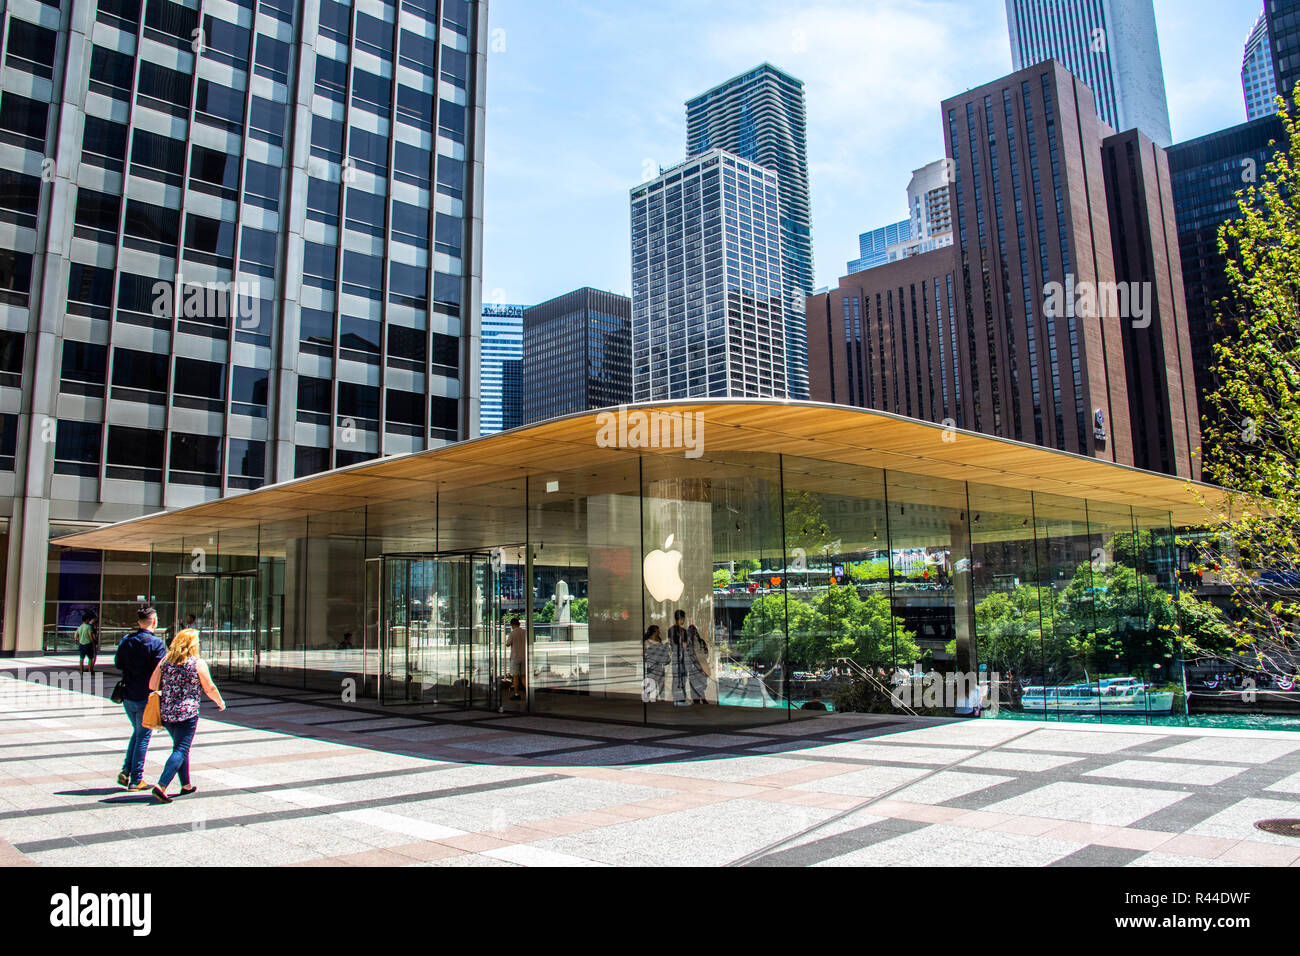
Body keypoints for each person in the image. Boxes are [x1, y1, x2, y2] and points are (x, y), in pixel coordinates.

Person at [147, 628, 226, 803]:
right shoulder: (197, 663)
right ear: (192, 644)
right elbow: (209, 687)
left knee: (181, 747)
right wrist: (220, 702)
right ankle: (161, 786)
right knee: (181, 749)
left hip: (167, 713)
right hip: (187, 713)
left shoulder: (165, 661)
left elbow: (152, 684)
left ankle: (186, 785)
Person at [113, 607, 166, 790]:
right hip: (146, 696)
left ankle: (126, 771)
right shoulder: (156, 643)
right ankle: (136, 778)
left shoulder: (127, 640)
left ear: (138, 622)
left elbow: (118, 663)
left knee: (138, 732)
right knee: (143, 736)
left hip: (128, 694)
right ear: (154, 621)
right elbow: (161, 671)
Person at [668, 610, 709, 705]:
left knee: (678, 679)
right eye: (683, 619)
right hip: (682, 658)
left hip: (677, 657)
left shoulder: (672, 630)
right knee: (681, 679)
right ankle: (680, 700)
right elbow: (685, 645)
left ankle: (679, 699)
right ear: (682, 618)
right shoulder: (682, 631)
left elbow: (674, 644)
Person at [642, 625, 670, 702]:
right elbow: (648, 654)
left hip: (660, 667)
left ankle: (662, 700)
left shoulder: (659, 641)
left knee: (661, 685)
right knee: (650, 685)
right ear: (654, 632)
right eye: (658, 631)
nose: (659, 632)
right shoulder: (647, 642)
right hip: (652, 668)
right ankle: (648, 701)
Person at [505, 617, 526, 700]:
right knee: (523, 676)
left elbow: (508, 644)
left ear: (512, 625)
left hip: (515, 657)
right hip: (524, 656)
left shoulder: (512, 633)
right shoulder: (525, 632)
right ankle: (528, 691)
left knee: (515, 676)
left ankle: (516, 694)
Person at [76, 611, 99, 676]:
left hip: (81, 644)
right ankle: (89, 671)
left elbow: (75, 636)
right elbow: (91, 636)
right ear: (87, 620)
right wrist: (94, 642)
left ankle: (81, 671)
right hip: (88, 644)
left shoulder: (80, 627)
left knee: (81, 659)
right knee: (91, 658)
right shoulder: (89, 627)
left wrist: (79, 640)